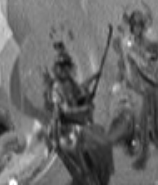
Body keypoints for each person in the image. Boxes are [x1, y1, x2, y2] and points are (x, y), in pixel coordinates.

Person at [111, 6, 158, 169]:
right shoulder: (128, 42)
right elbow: (141, 60)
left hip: (145, 78)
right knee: (146, 99)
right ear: (131, 26)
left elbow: (153, 47)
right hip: (134, 79)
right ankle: (144, 144)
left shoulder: (142, 40)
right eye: (136, 25)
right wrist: (154, 59)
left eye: (140, 26)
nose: (138, 29)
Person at [45, 42, 114, 185]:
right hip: (65, 129)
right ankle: (86, 176)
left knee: (101, 140)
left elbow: (80, 91)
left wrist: (93, 79)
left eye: (66, 66)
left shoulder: (70, 82)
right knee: (79, 150)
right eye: (61, 66)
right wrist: (82, 110)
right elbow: (64, 111)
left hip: (79, 124)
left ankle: (100, 173)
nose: (64, 70)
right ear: (57, 69)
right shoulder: (56, 88)